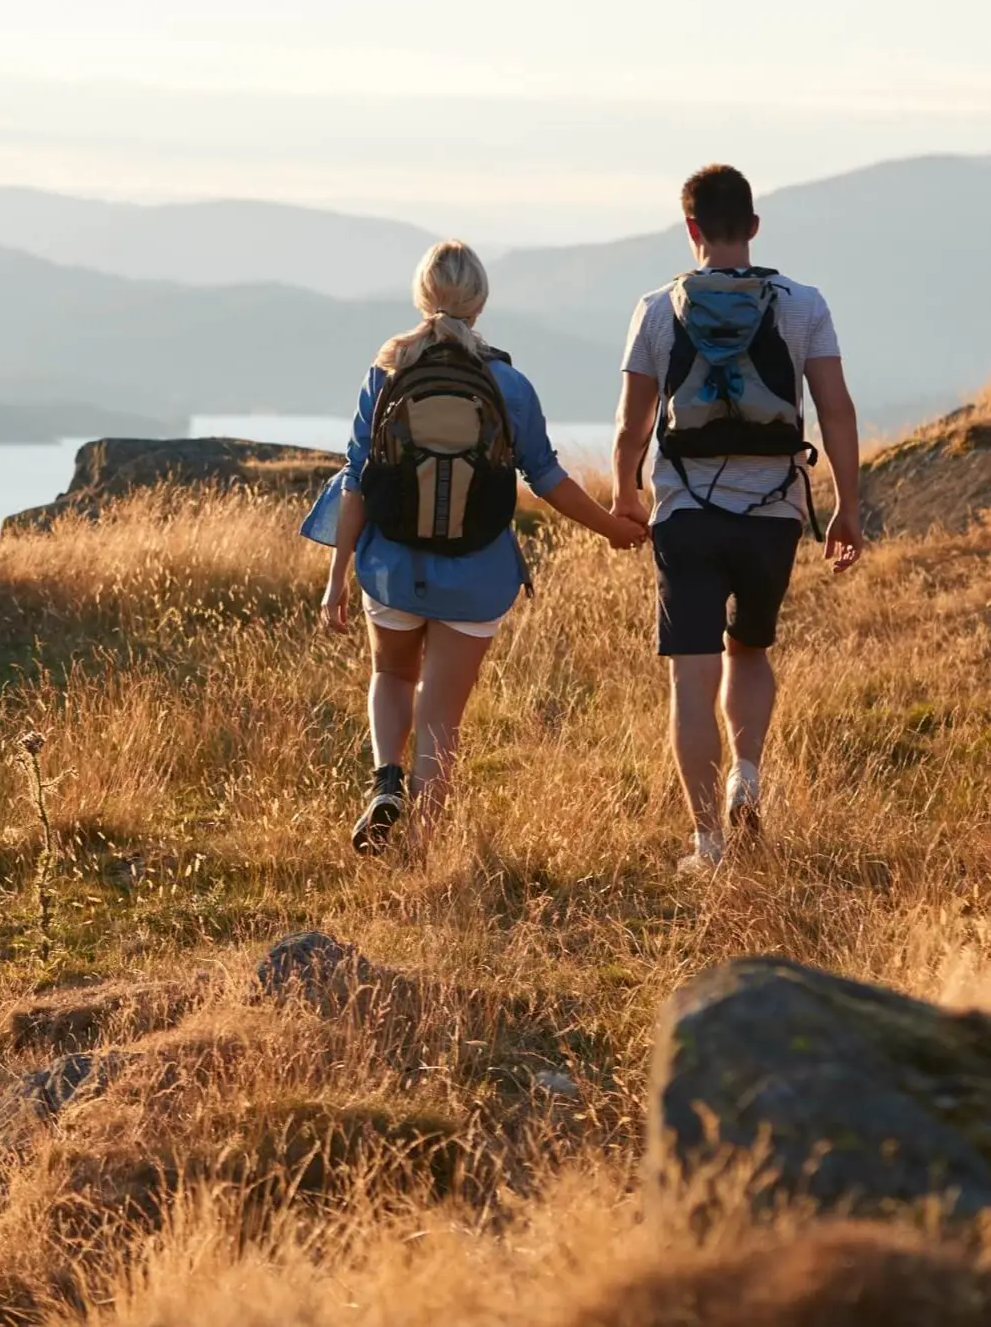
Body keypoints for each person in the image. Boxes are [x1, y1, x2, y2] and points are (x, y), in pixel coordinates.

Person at [304, 238, 646, 855]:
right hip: (477, 574)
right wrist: (615, 529)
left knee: (389, 672)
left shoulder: (384, 374)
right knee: (442, 716)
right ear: (480, 303)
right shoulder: (508, 383)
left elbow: (355, 480)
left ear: (422, 296)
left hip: (391, 568)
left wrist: (336, 579)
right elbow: (547, 478)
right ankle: (424, 844)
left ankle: (387, 781)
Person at [611, 164, 862, 874]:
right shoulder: (802, 304)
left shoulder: (657, 309)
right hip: (774, 514)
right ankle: (744, 777)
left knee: (692, 676)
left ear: (690, 228)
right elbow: (836, 410)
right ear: (753, 227)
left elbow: (633, 427)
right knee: (748, 650)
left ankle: (708, 846)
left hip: (686, 513)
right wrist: (845, 506)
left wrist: (628, 497)